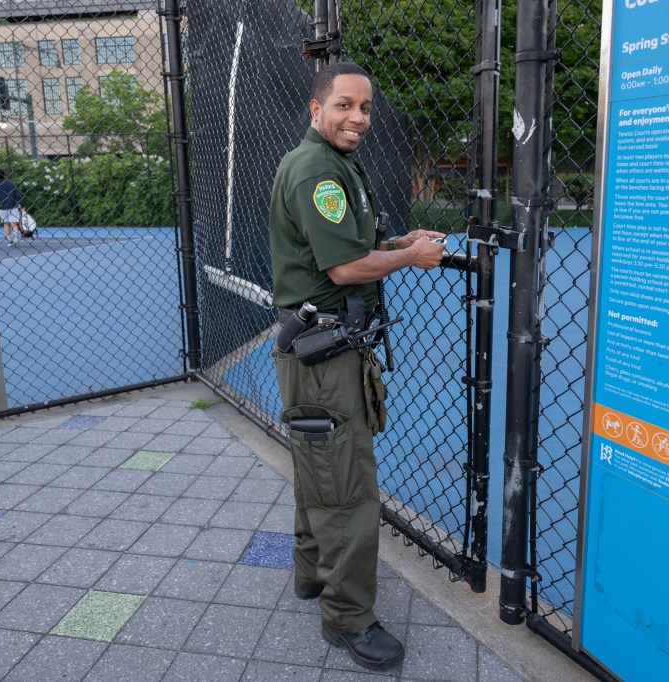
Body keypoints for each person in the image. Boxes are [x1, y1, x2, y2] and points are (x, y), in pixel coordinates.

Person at [268, 61, 445, 671]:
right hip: (324, 353)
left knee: (319, 467)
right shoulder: (319, 168)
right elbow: (343, 271)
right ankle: (347, 618)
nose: (358, 118)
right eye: (344, 106)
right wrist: (412, 259)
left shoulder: (331, 164)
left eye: (365, 108)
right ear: (316, 109)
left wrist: (396, 244)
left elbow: (335, 249)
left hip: (320, 347)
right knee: (345, 486)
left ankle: (313, 574)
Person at [0, 168, 25, 246]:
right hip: (13, 205)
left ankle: (10, 241)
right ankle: (15, 236)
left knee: (6, 224)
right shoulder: (11, 183)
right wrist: (22, 205)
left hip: (1, 207)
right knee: (13, 223)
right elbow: (18, 194)